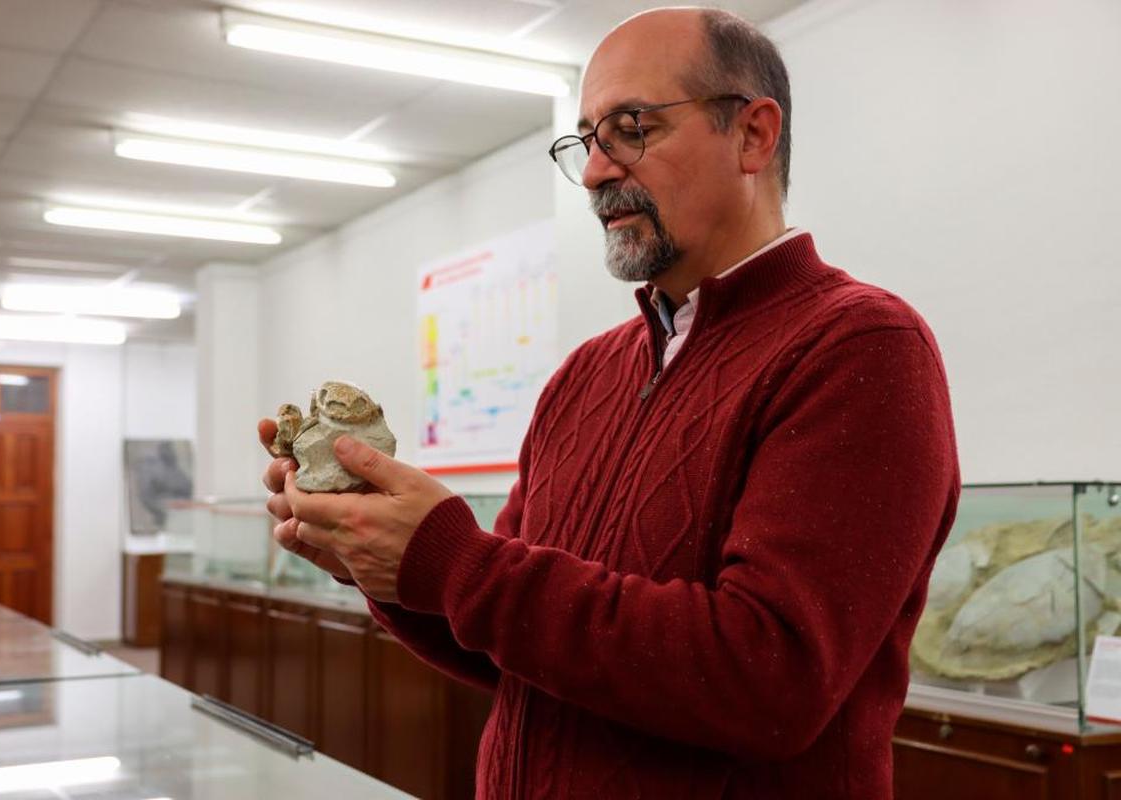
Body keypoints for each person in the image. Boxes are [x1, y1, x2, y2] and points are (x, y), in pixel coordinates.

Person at [260, 7, 959, 799]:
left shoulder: (861, 346)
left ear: (754, 135)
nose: (595, 172)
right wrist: (375, 558)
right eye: (586, 141)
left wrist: (455, 560)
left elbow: (769, 680)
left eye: (632, 128)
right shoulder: (584, 375)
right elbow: (510, 642)